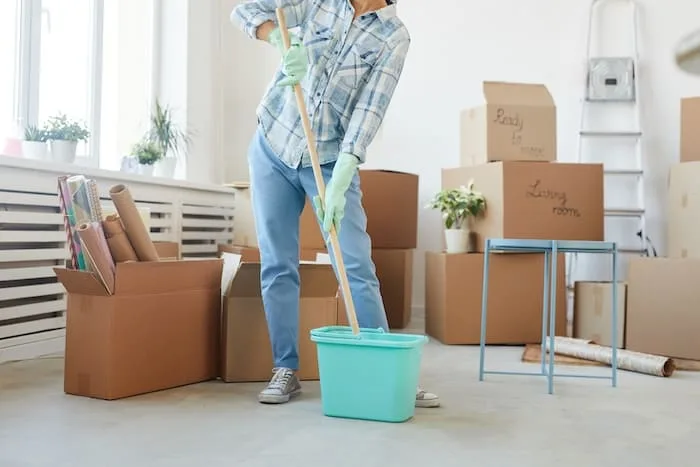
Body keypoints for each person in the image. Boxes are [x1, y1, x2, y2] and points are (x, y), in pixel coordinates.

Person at [231, 0, 440, 409]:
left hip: (327, 159)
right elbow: (243, 12)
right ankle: (285, 369)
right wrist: (275, 36)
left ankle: (386, 369)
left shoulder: (392, 36)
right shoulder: (318, 3)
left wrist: (344, 170)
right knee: (278, 263)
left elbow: (369, 110)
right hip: (274, 141)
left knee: (355, 265)